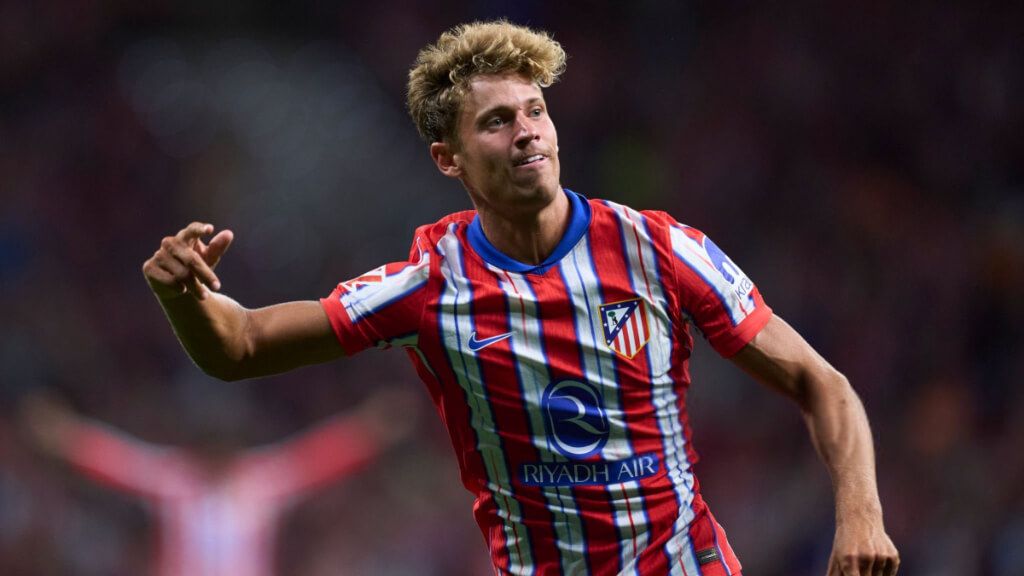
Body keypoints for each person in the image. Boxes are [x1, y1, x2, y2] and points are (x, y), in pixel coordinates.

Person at [141, 20, 899, 576]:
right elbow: (238, 348)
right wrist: (183, 296)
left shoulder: (658, 248)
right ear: (449, 159)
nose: (528, 132)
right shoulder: (431, 284)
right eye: (497, 121)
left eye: (535, 110)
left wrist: (862, 515)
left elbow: (820, 382)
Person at [21, 391, 413, 576]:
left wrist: (371, 430)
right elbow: (114, 459)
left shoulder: (262, 480)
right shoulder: (174, 478)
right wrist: (63, 435)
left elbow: (319, 458)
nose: (215, 455)